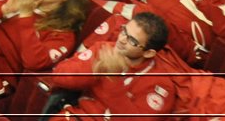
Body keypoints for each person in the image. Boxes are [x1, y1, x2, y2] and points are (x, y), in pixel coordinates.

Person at [47, 12, 184, 116]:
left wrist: (112, 78)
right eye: (124, 31)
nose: (122, 39)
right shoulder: (104, 48)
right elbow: (59, 75)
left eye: (132, 40)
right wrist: (96, 69)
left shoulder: (161, 85)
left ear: (148, 53)